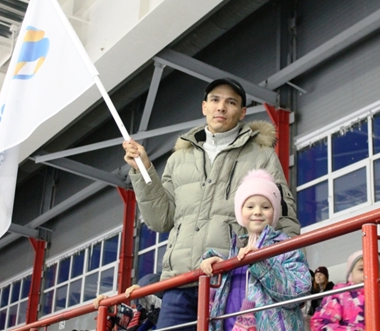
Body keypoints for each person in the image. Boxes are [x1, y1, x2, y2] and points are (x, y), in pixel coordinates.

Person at [122, 77, 300, 329]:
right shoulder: (179, 158)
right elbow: (160, 219)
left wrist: (288, 269)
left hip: (232, 277)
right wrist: (144, 170)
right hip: (179, 282)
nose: (221, 107)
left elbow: (282, 214)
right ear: (204, 106)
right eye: (215, 100)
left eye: (231, 102)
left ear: (242, 112)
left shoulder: (261, 155)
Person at [200, 169, 311, 330]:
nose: (257, 212)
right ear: (240, 212)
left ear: (275, 212)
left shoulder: (285, 246)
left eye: (265, 206)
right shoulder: (235, 250)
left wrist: (261, 262)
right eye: (250, 206)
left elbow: (300, 291)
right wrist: (219, 268)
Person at [310, 250, 380, 330]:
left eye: (374, 269)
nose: (368, 273)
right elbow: (321, 324)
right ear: (351, 275)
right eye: (361, 269)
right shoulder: (338, 296)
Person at [93, 273, 162, 331]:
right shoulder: (138, 319)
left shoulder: (167, 315)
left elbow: (155, 303)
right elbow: (126, 315)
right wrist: (107, 305)